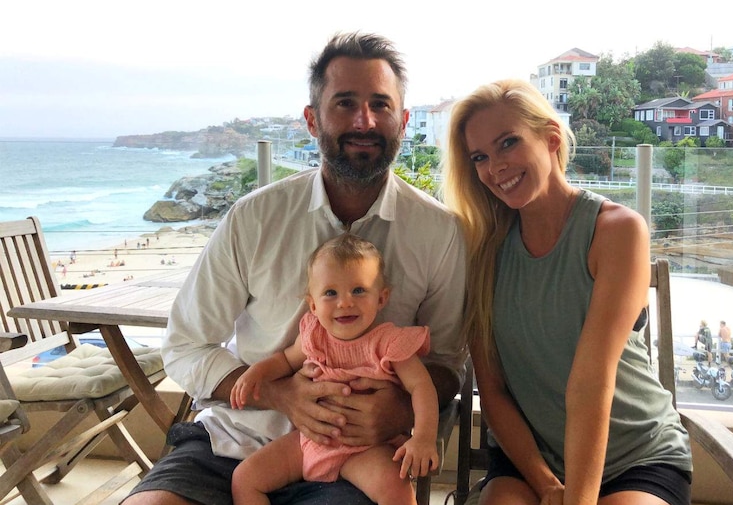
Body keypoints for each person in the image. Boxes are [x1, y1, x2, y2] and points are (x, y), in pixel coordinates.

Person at [124, 31, 467, 505]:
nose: (364, 121)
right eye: (345, 103)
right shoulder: (254, 217)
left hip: (355, 457)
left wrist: (398, 410)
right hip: (233, 442)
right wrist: (281, 394)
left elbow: (447, 362)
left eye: (380, 105)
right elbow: (185, 345)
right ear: (312, 119)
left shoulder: (438, 231)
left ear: (403, 121)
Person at [443, 79, 692, 505]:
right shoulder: (482, 249)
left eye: (508, 143)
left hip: (635, 455)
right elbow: (495, 390)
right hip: (529, 461)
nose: (495, 167)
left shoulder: (616, 231)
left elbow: (590, 381)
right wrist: (546, 485)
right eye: (480, 157)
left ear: (551, 139)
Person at [231, 233, 439, 505]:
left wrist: (423, 437)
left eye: (359, 290)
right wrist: (256, 373)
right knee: (245, 479)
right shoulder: (313, 335)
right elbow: (284, 360)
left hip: (366, 449)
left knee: (396, 492)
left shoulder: (389, 343)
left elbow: (421, 386)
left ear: (381, 298)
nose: (345, 302)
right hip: (309, 440)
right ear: (313, 304)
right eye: (331, 293)